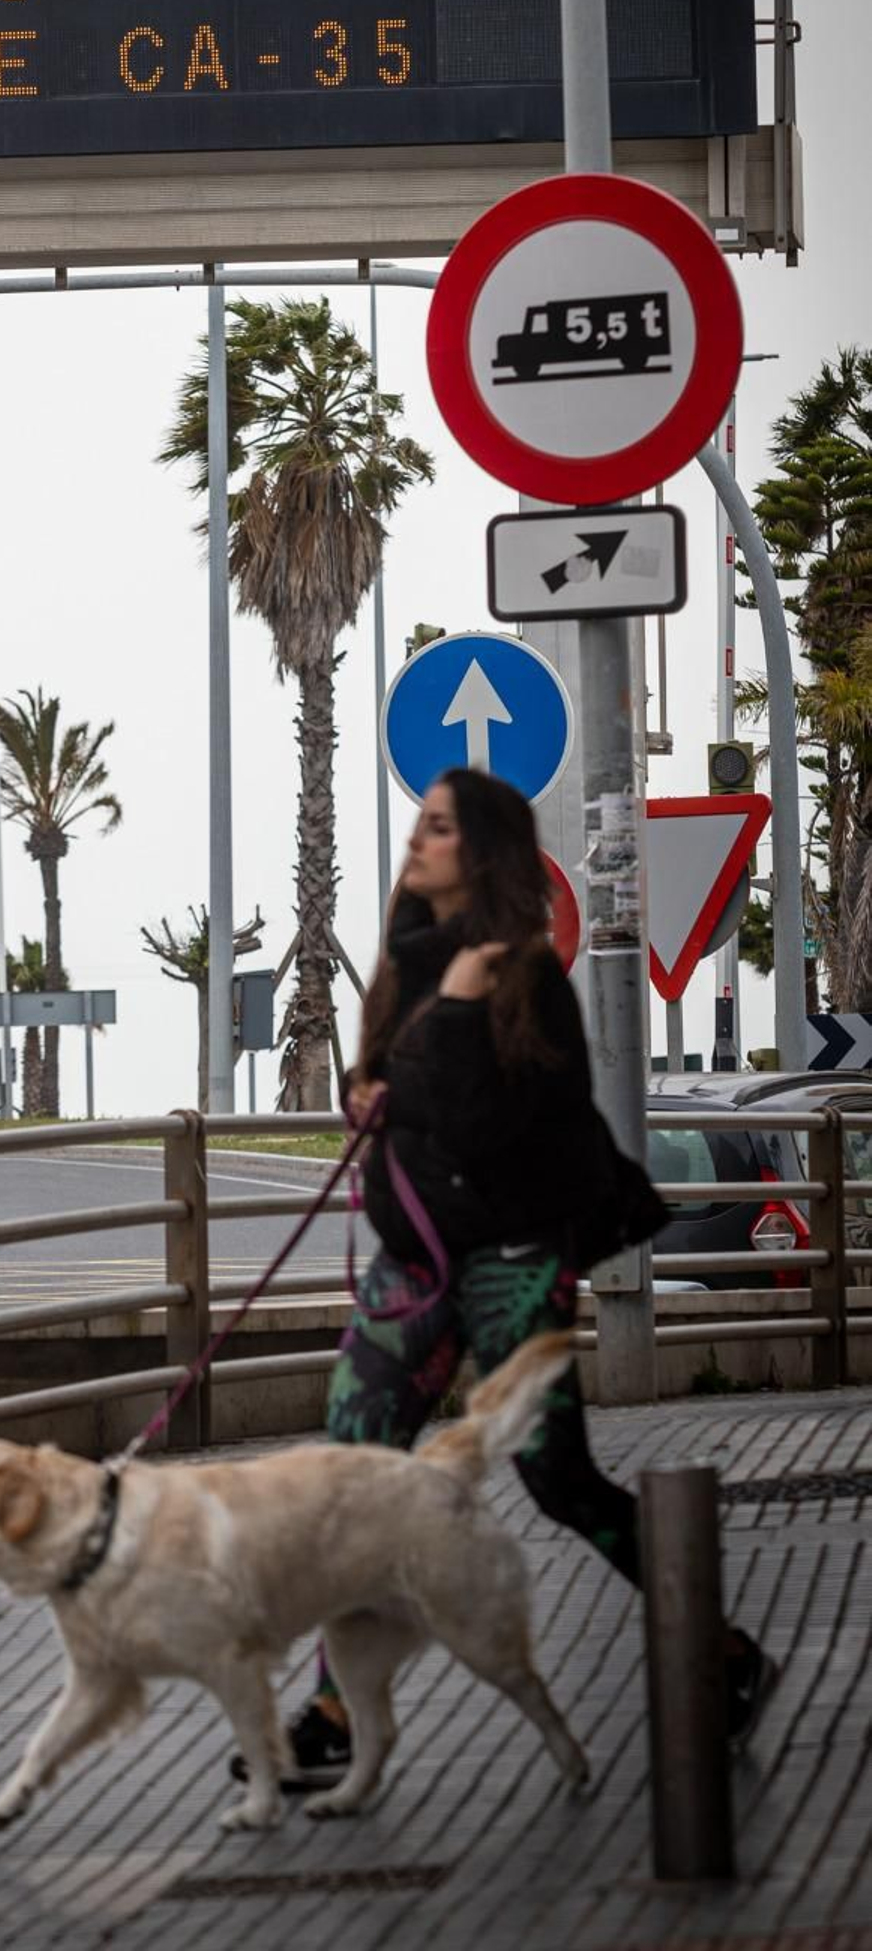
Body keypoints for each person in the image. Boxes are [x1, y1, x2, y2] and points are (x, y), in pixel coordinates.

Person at [246, 767, 777, 1790]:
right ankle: (331, 1706)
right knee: (353, 1464)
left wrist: (445, 1027)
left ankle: (723, 1652)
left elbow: (494, 1130)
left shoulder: (525, 977)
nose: (418, 841)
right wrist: (370, 1091)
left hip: (513, 1262)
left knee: (556, 1477)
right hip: (411, 1264)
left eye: (438, 828)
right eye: (419, 824)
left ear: (478, 848)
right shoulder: (402, 961)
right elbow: (402, 1099)